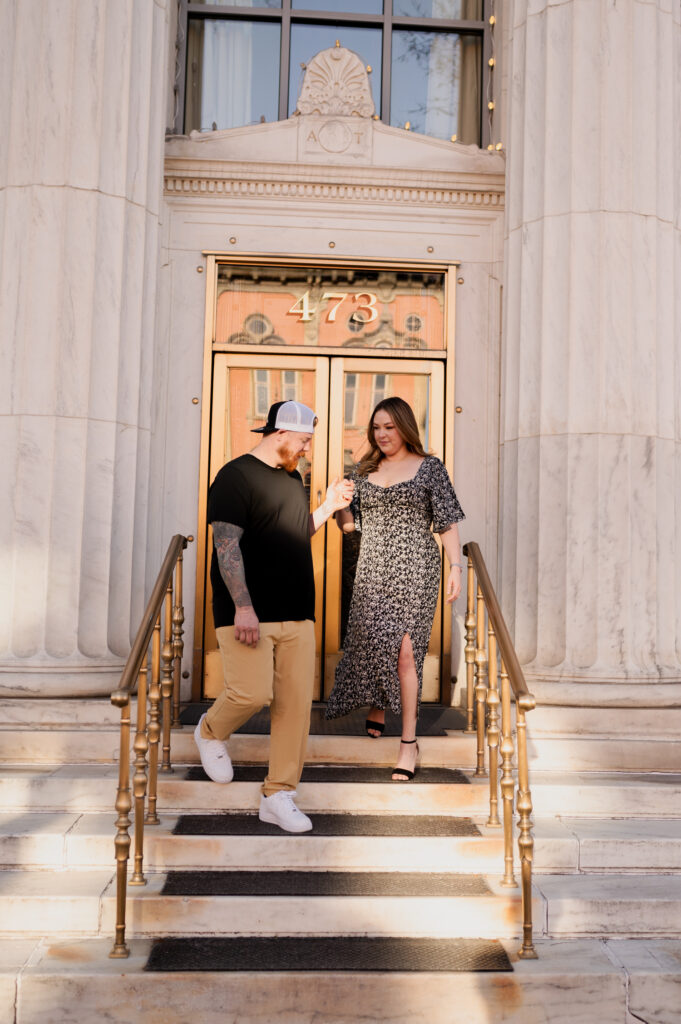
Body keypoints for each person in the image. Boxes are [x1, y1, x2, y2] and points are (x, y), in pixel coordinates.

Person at [194, 400, 354, 832]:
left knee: (295, 707)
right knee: (250, 693)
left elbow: (295, 533)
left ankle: (278, 793)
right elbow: (225, 547)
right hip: (248, 612)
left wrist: (325, 506)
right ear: (280, 434)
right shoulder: (234, 476)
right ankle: (210, 731)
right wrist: (244, 606)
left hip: (298, 609)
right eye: (303, 441)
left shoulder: (291, 478)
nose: (306, 449)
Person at [325, 396, 465, 781]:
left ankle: (408, 743)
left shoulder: (429, 468)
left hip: (416, 569)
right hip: (374, 568)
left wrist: (456, 566)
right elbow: (350, 527)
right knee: (374, 642)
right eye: (376, 427)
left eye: (389, 427)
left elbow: (447, 521)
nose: (382, 434)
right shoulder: (365, 469)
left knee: (406, 652)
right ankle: (378, 704)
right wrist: (339, 507)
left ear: (404, 427)